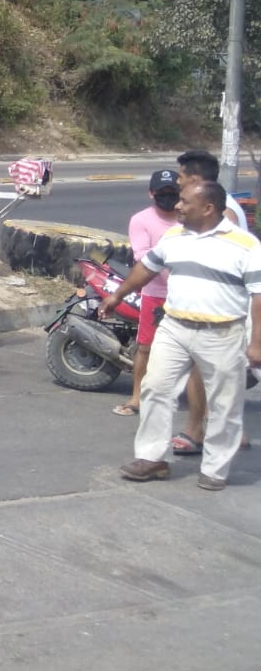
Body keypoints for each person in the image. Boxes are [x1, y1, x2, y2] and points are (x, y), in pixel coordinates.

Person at [103, 180, 261, 491]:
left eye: (185, 201)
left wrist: (257, 342)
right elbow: (146, 267)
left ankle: (215, 469)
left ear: (208, 208)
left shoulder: (246, 246)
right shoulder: (174, 236)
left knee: (224, 403)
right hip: (174, 327)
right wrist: (118, 295)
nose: (178, 206)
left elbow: (259, 296)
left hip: (222, 332)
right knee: (155, 388)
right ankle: (152, 459)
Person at [163, 149, 253, 457]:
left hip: (220, 313)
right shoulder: (221, 207)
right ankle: (224, 431)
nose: (177, 182)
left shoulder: (219, 216)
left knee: (208, 376)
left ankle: (197, 431)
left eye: (181, 176)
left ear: (196, 180)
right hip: (218, 310)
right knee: (213, 377)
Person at [114, 170, 182, 416]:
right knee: (145, 347)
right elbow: (142, 257)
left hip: (186, 294)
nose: (167, 196)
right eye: (162, 192)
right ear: (151, 193)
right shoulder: (141, 219)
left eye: (172, 191)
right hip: (155, 292)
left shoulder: (188, 218)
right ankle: (136, 397)